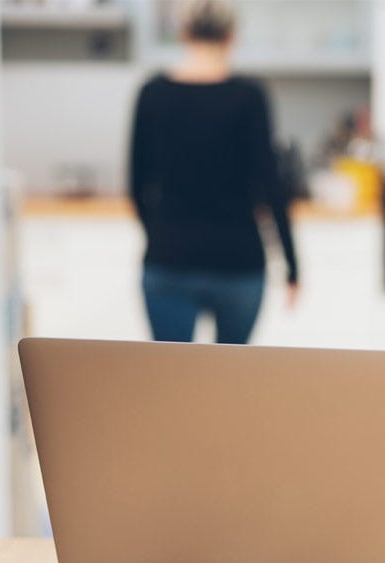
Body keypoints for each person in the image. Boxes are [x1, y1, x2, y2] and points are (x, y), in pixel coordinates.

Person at [128, 0, 298, 344]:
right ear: (232, 37)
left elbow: (135, 185)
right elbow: (271, 185)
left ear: (183, 34)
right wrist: (293, 266)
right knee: (229, 387)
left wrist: (162, 233)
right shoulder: (250, 96)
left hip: (168, 259)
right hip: (239, 262)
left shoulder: (152, 93)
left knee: (172, 384)